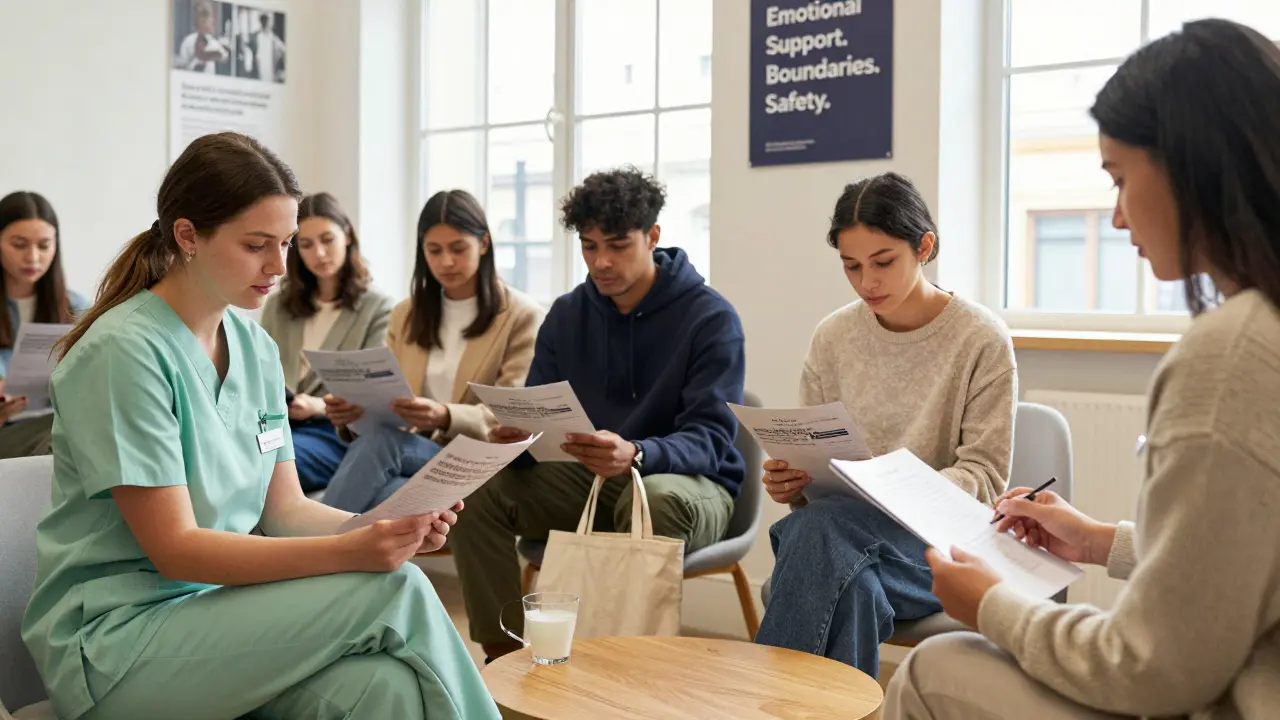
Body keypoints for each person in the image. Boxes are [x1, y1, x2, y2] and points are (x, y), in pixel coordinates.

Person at [20, 132, 499, 720]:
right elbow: (176, 550)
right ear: (188, 236)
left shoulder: (254, 347)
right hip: (118, 644)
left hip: (215, 616)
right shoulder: (122, 353)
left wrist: (381, 527)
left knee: (385, 688)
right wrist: (355, 554)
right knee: (397, 591)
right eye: (257, 246)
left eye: (287, 243)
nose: (279, 266)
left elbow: (285, 513)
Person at [886, 19, 1280, 720]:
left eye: (1121, 178)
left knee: (937, 666)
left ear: (1194, 168)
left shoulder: (1231, 355)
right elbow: (1244, 557)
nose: (1119, 216)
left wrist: (992, 607)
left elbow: (1153, 666)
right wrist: (1100, 541)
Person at [449, 166, 747, 661]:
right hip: (585, 477)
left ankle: (621, 665)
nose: (601, 261)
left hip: (687, 483)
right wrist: (515, 440)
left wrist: (637, 452)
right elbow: (539, 411)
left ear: (653, 236)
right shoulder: (567, 315)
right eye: (589, 246)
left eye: (617, 245)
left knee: (652, 498)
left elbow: (713, 439)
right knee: (477, 491)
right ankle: (506, 662)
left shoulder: (711, 318)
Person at [753, 172, 1017, 678]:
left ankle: (762, 708)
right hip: (844, 541)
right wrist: (792, 484)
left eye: (883, 262)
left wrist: (896, 482)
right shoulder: (833, 337)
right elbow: (812, 472)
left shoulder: (981, 339)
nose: (866, 282)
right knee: (854, 587)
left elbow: (983, 480)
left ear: (925, 247)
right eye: (851, 266)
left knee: (819, 531)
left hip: (942, 549)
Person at [321, 189, 543, 513]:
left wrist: (445, 415)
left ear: (483, 244)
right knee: (383, 494)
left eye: (458, 248)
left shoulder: (521, 316)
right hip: (415, 452)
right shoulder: (406, 314)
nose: (446, 262)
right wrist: (353, 413)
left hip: (475, 460)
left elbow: (512, 415)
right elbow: (389, 396)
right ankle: (314, 559)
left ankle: (301, 556)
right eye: (434, 250)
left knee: (381, 454)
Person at [259, 192, 393, 493]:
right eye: (306, 244)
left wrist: (317, 406)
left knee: (263, 464)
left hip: (334, 431)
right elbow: (259, 372)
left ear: (347, 236)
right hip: (276, 425)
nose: (319, 253)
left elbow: (376, 396)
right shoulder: (279, 306)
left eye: (327, 240)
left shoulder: (378, 308)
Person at [0, 191, 89, 458]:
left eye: (44, 245)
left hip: (57, 424)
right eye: (19, 244)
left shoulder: (77, 307)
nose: (33, 258)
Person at [175, 0, 229, 74]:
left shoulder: (212, 42)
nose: (213, 22)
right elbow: (182, 64)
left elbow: (224, 56)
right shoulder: (189, 41)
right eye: (210, 19)